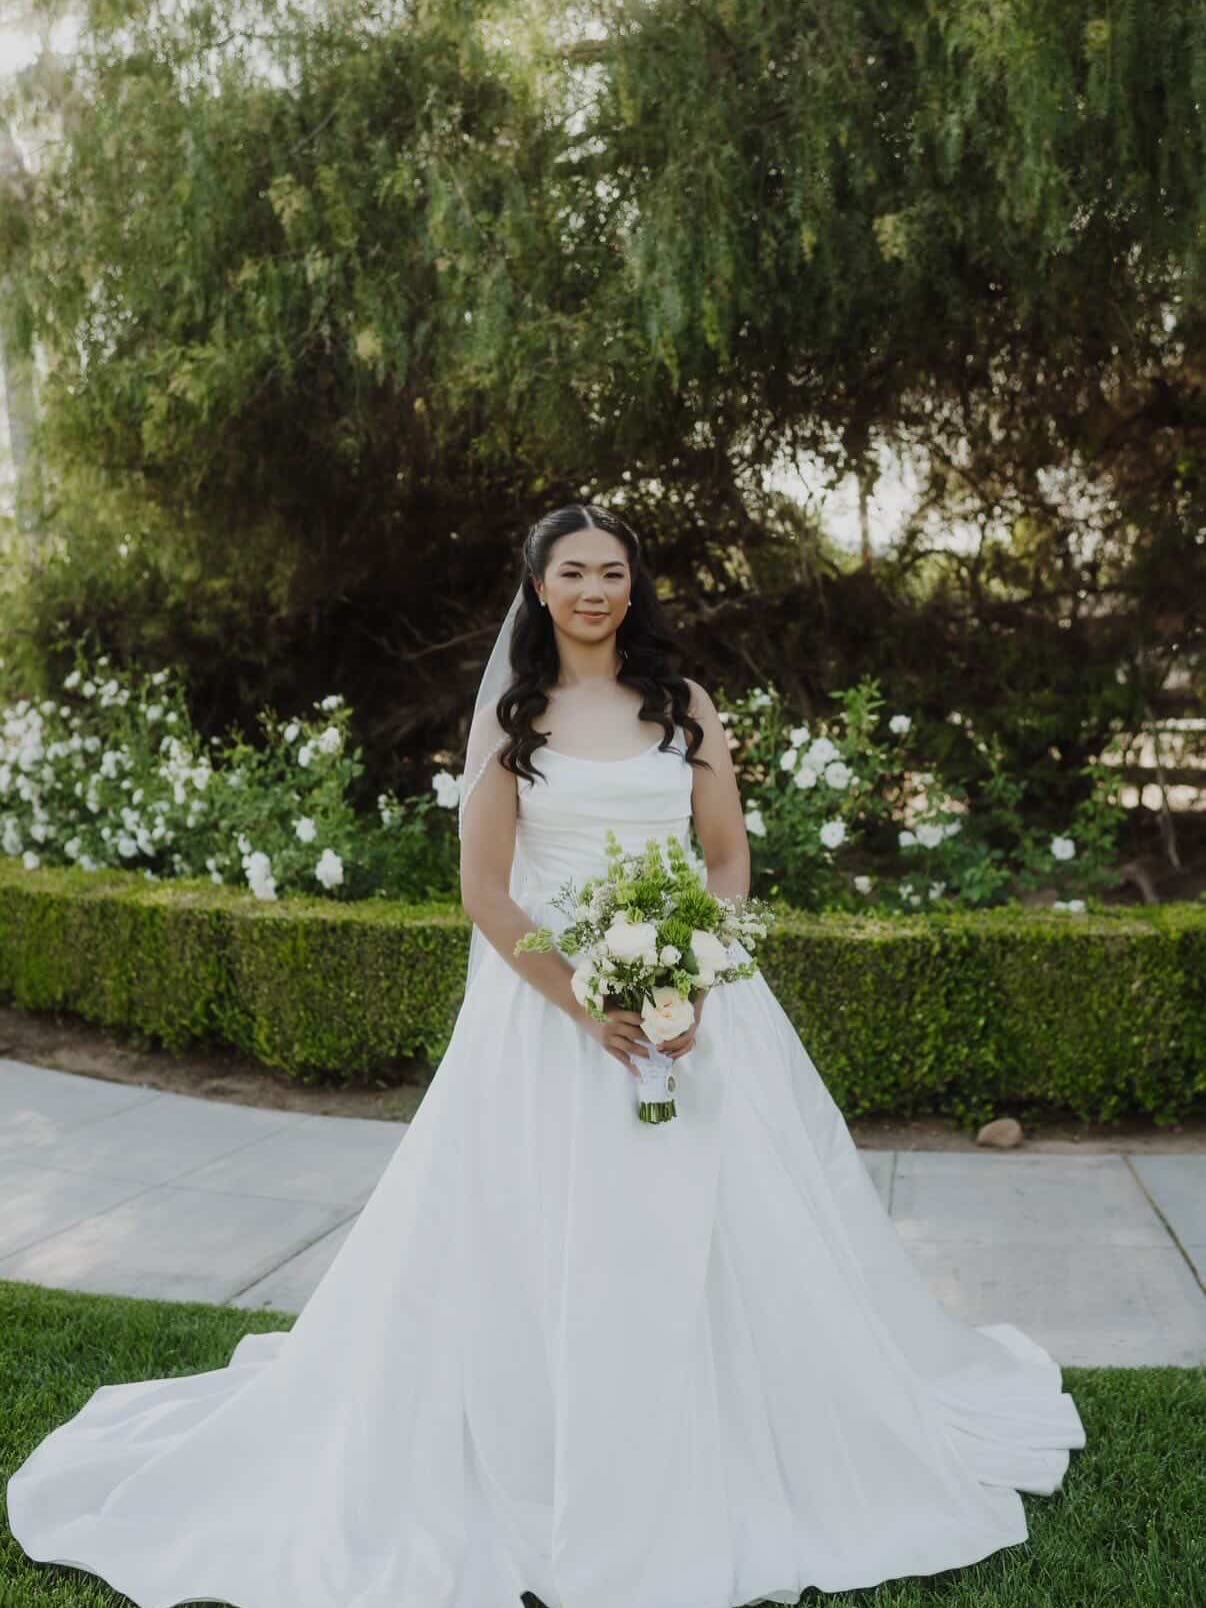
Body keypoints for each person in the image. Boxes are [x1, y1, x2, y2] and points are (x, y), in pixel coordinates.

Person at [6, 503, 1084, 1608]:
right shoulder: (509, 716)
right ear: (537, 587)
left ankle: (728, 1447)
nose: (595, 590)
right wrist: (586, 1001)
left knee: (731, 1225)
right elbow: (485, 890)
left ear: (634, 586)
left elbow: (724, 857)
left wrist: (690, 975)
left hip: (691, 1000)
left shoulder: (685, 705)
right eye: (573, 572)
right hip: (546, 1007)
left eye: (613, 572)